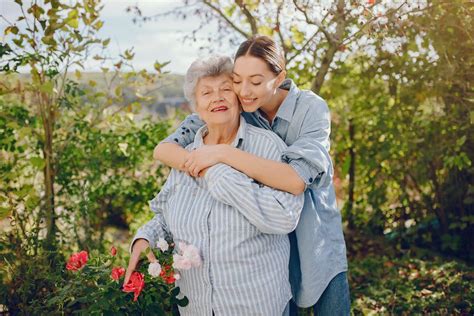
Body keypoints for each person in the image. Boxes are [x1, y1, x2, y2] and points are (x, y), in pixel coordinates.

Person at [154, 35, 350, 315]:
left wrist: (222, 155)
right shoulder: (236, 105)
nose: (244, 91)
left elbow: (296, 180)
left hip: (311, 233)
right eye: (237, 79)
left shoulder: (310, 109)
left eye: (256, 82)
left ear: (279, 76)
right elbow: (164, 149)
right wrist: (202, 165)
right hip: (264, 240)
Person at [125, 55, 304, 315]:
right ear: (196, 106)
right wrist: (145, 238)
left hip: (256, 306)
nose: (217, 98)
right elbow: (166, 216)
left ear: (240, 99)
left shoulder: (267, 147)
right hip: (195, 307)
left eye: (225, 90)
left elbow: (284, 218)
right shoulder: (185, 153)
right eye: (207, 92)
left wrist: (216, 170)